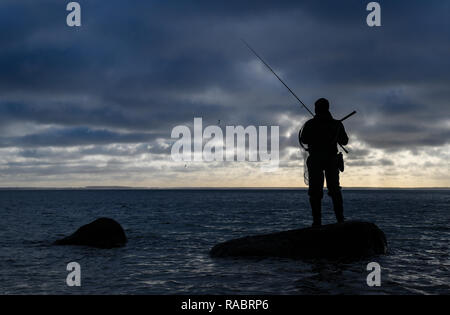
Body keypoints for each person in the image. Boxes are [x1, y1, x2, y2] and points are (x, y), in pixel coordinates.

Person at [300, 98, 349, 227]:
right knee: (335, 190)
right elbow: (344, 141)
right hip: (332, 160)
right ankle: (340, 219)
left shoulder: (310, 124)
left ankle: (317, 222)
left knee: (315, 191)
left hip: (316, 159)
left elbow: (303, 139)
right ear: (327, 108)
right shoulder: (336, 124)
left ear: (317, 109)